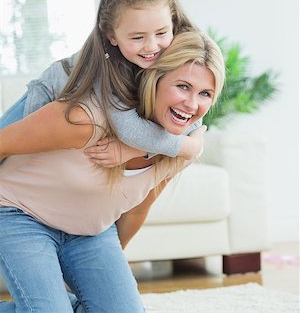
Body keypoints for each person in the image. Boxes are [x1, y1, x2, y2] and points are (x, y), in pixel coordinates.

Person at [0, 30, 225, 313]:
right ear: (155, 79)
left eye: (205, 93)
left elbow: (136, 211)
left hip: (89, 230)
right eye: (182, 86)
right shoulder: (86, 117)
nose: (191, 105)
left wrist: (104, 280)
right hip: (19, 213)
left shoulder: (179, 149)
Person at [0, 0, 203, 167]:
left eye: (161, 33)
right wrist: (187, 146)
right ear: (112, 37)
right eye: (138, 37)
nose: (151, 46)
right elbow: (128, 129)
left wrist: (137, 151)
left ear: (173, 24)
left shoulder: (180, 52)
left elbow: (192, 119)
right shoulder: (107, 67)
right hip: (48, 93)